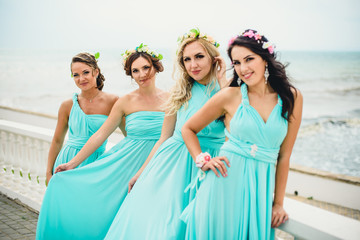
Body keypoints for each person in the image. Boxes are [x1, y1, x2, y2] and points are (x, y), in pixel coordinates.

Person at [104, 28, 227, 240]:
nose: (193, 65)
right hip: (172, 166)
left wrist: (224, 81)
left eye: (199, 56)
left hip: (211, 164)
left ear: (214, 58)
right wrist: (141, 172)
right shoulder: (179, 93)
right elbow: (164, 137)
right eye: (187, 59)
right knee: (163, 229)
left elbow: (238, 132)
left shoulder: (230, 91)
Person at [36, 44, 168, 240]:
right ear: (130, 74)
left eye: (146, 68)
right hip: (115, 162)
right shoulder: (124, 101)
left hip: (159, 161)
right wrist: (70, 164)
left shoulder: (172, 98)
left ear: (155, 67)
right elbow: (99, 135)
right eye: (135, 70)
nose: (142, 74)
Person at [181, 29, 303, 239]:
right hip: (222, 185)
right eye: (236, 63)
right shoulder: (230, 95)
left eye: (249, 59)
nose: (243, 68)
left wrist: (278, 204)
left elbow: (284, 156)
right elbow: (188, 129)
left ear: (265, 59)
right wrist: (202, 159)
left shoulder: (291, 97)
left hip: (260, 192)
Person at [46, 52, 118, 185]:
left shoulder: (113, 101)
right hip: (66, 162)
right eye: (76, 75)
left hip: (96, 164)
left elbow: (130, 135)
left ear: (96, 72)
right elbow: (57, 141)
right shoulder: (67, 105)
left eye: (85, 72)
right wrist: (48, 173)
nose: (81, 79)